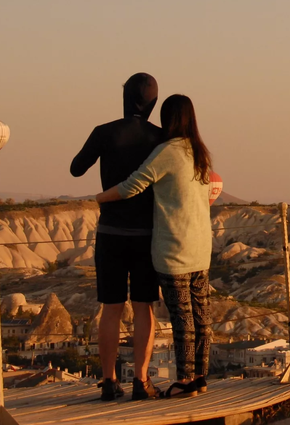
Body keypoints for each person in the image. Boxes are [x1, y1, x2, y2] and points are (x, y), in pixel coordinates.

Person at [97, 94, 214, 398]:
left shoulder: (167, 151)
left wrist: (98, 198)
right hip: (201, 249)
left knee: (182, 319)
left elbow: (132, 185)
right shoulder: (199, 152)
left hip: (173, 249)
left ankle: (185, 381)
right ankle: (200, 377)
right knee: (201, 317)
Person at [71, 73, 165, 401]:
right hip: (146, 234)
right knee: (144, 308)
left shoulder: (104, 132)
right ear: (153, 102)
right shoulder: (161, 137)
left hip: (110, 232)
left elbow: (76, 168)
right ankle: (141, 380)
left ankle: (109, 381)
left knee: (110, 308)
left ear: (124, 97)